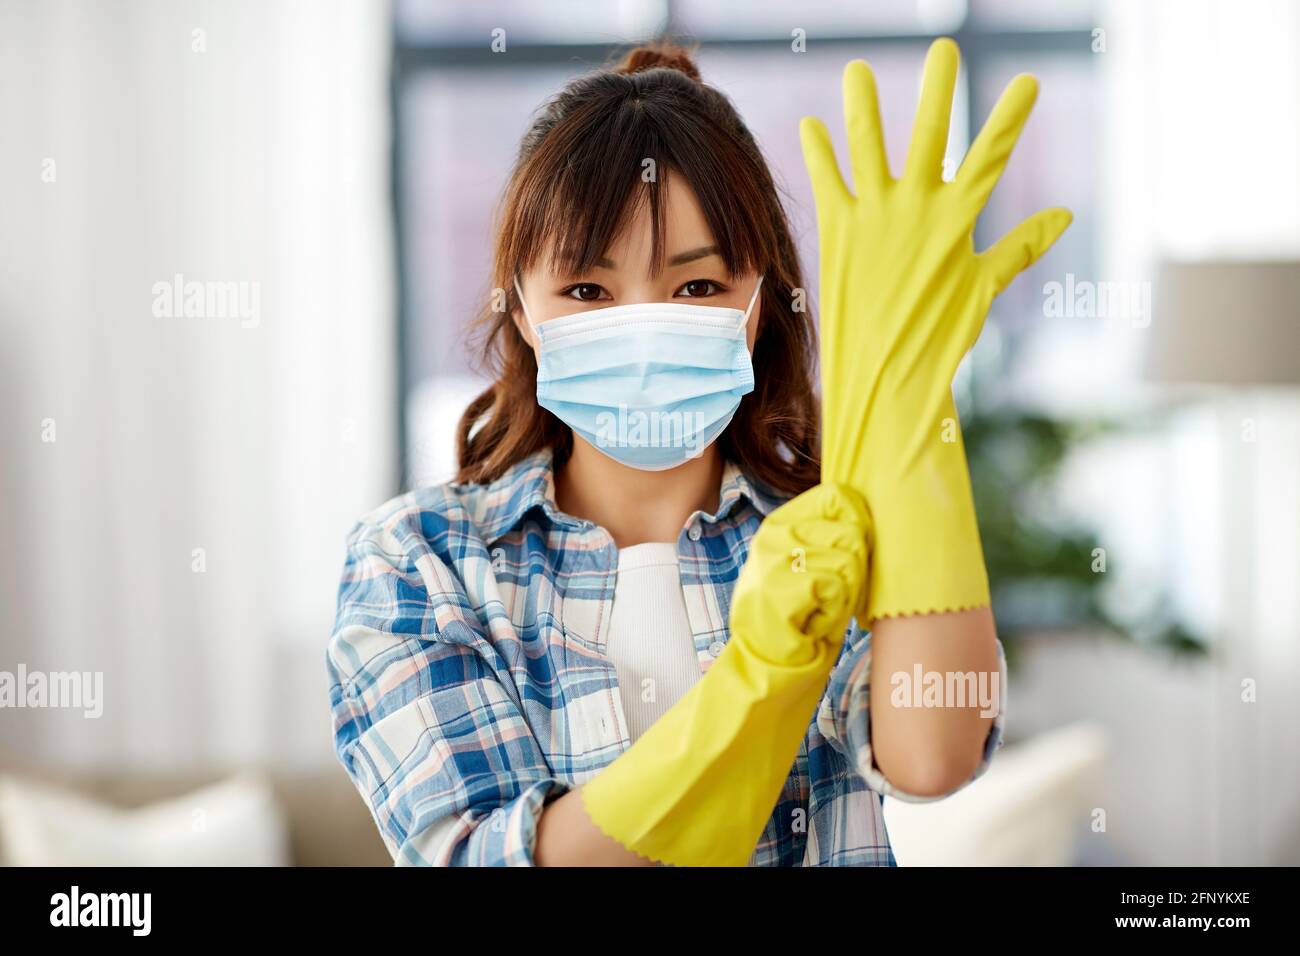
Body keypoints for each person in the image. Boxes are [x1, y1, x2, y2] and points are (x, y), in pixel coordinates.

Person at [326, 37, 1068, 866]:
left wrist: (910, 389)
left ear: (758, 303)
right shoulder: (420, 562)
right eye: (586, 290)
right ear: (523, 310)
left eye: (697, 286)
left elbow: (935, 756)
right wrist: (757, 683)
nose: (642, 322)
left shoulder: (827, 531)